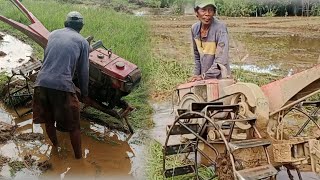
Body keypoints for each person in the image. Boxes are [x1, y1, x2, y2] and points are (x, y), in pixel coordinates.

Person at [32, 11, 90, 159]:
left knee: (49, 120)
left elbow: (47, 59)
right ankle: (79, 160)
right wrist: (84, 94)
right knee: (74, 126)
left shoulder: (53, 34)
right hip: (62, 85)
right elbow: (83, 71)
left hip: (41, 82)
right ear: (81, 27)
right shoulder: (82, 42)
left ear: (66, 23)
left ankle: (56, 148)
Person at [190, 0, 231, 82]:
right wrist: (197, 75)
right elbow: (197, 56)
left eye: (210, 10)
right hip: (204, 77)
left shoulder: (220, 29)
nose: (207, 14)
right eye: (203, 10)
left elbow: (221, 60)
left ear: (214, 12)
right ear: (196, 12)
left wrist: (204, 76)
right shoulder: (194, 29)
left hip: (220, 78)